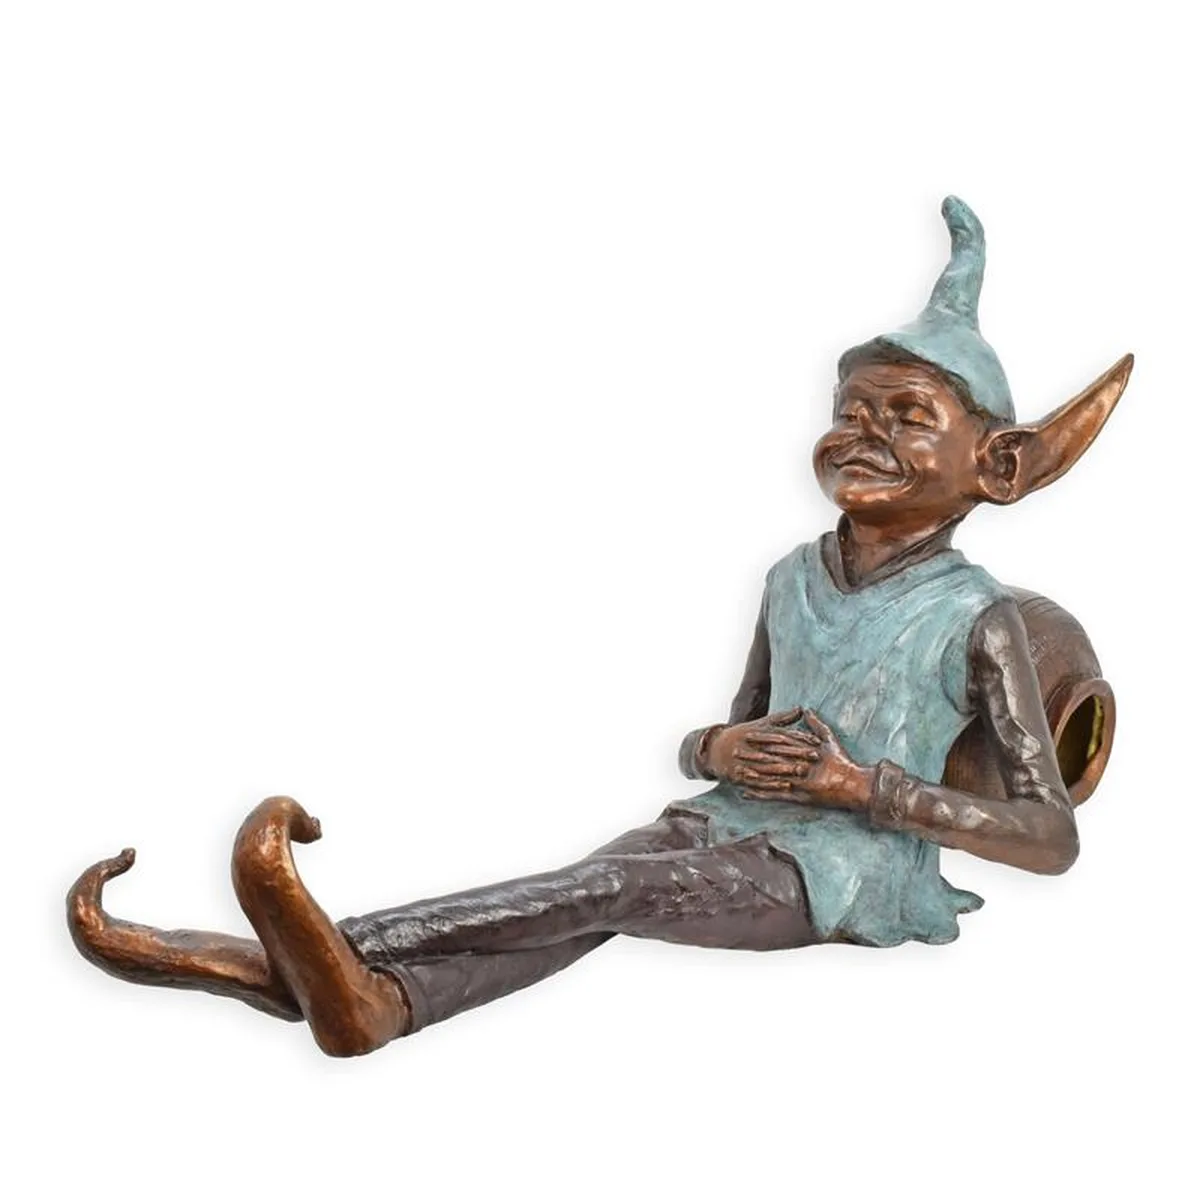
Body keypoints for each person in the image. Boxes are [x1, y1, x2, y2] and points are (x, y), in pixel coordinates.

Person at [67, 197, 1133, 1056]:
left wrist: (861, 789)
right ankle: (375, 1003)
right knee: (595, 896)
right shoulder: (789, 578)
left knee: (607, 890)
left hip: (847, 873)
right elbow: (719, 736)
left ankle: (313, 960)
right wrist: (719, 751)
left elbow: (1051, 838)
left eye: (908, 418)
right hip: (725, 825)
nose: (865, 435)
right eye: (852, 412)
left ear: (993, 467)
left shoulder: (977, 619)